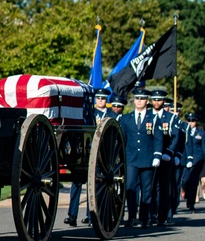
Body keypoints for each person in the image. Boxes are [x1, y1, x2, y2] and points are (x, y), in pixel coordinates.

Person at [64, 87, 112, 227]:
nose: (100, 100)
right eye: (98, 98)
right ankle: (72, 215)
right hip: (84, 154)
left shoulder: (111, 116)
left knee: (94, 185)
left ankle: (91, 216)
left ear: (106, 100)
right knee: (76, 183)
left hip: (101, 156)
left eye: (103, 98)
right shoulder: (89, 114)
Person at [118, 87, 162, 228]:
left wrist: (157, 155)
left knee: (147, 190)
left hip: (148, 159)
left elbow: (158, 139)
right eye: (137, 98)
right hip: (131, 158)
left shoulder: (154, 119)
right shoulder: (126, 119)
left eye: (142, 98)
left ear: (147, 101)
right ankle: (131, 217)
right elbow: (123, 139)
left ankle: (144, 218)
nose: (139, 101)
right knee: (130, 187)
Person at [149, 89, 178, 225]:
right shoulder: (147, 115)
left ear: (163, 101)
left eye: (159, 100)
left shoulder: (171, 117)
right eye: (154, 100)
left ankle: (163, 216)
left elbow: (175, 137)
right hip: (149, 156)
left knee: (164, 187)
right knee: (150, 187)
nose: (156, 102)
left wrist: (170, 152)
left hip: (165, 157)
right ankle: (151, 214)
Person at [181, 113, 205, 212]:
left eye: (193, 121)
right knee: (184, 181)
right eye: (189, 121)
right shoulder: (183, 131)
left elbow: (204, 148)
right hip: (185, 160)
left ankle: (191, 203)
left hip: (197, 161)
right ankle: (186, 192)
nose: (191, 123)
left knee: (193, 182)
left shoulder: (200, 133)